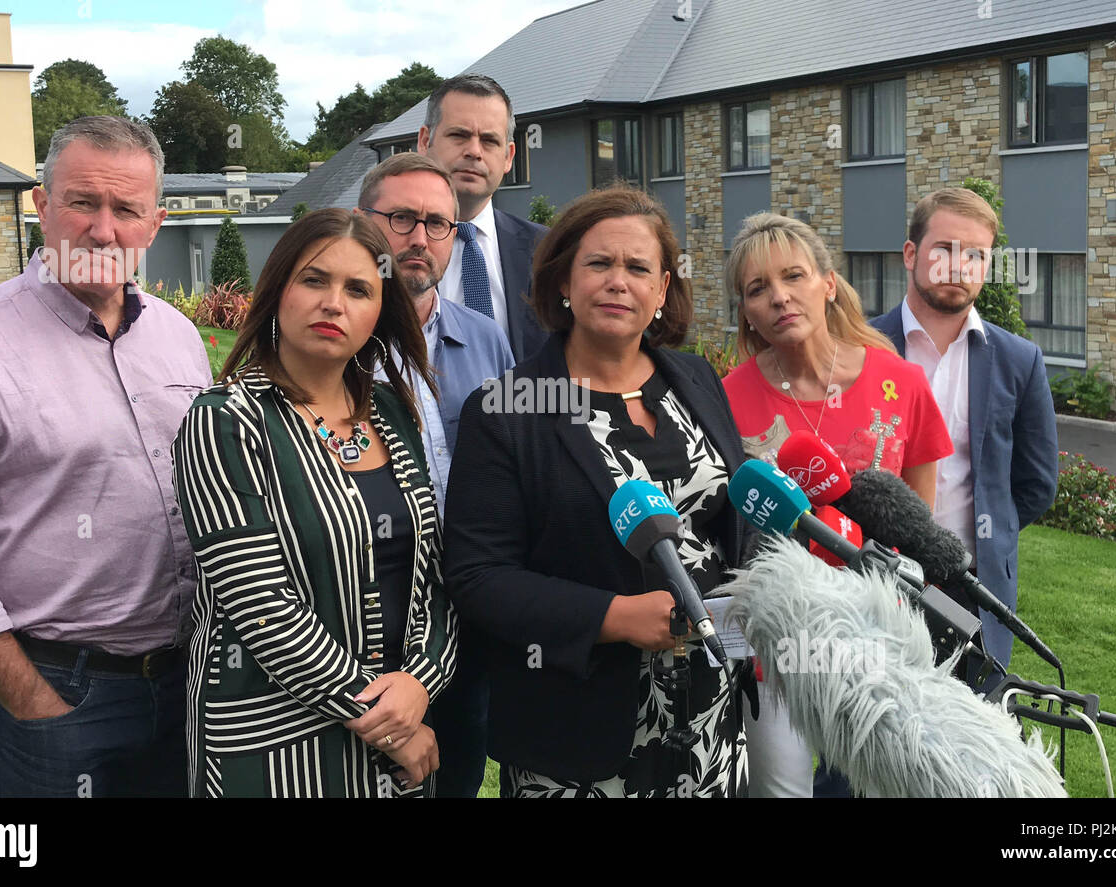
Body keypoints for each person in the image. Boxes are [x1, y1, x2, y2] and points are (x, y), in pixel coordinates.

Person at [0, 116, 209, 797]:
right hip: (60, 690)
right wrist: (35, 705)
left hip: (190, 685)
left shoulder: (179, 339)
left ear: (154, 223)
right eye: (83, 203)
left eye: (126, 209)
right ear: (42, 205)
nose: (103, 229)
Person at [445, 186, 750, 797]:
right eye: (599, 264)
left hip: (711, 721)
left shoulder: (693, 377)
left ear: (663, 290)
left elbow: (732, 516)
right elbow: (478, 575)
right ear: (562, 280)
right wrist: (615, 618)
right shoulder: (507, 408)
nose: (619, 282)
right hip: (579, 733)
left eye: (639, 268)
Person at [172, 209, 457, 798]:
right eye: (314, 280)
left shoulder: (393, 411)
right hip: (275, 744)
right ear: (278, 290)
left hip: (398, 730)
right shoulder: (224, 421)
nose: (334, 303)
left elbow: (435, 571)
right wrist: (386, 722)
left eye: (358, 289)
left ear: (380, 310)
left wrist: (419, 685)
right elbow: (259, 605)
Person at [720, 211, 954, 798]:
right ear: (746, 311)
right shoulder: (726, 398)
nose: (779, 297)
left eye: (793, 276)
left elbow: (917, 524)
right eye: (757, 289)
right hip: (778, 643)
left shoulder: (901, 382)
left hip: (885, 632)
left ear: (828, 283)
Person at [356, 153, 513, 798]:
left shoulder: (485, 341)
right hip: (364, 608)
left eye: (438, 224)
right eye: (401, 220)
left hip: (464, 610)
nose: (420, 239)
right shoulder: (331, 339)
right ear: (363, 222)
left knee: (460, 765)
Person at [872, 187, 1058, 683]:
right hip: (870, 581)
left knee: (967, 750)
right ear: (911, 254)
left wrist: (990, 532)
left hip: (972, 591)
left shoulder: (1019, 361)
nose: (960, 266)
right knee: (858, 749)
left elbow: (1036, 484)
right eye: (946, 250)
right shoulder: (860, 349)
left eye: (976, 255)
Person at [417, 73, 548, 362]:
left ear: (508, 157)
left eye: (489, 141)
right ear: (425, 141)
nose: (474, 151)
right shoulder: (382, 251)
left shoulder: (549, 252)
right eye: (459, 135)